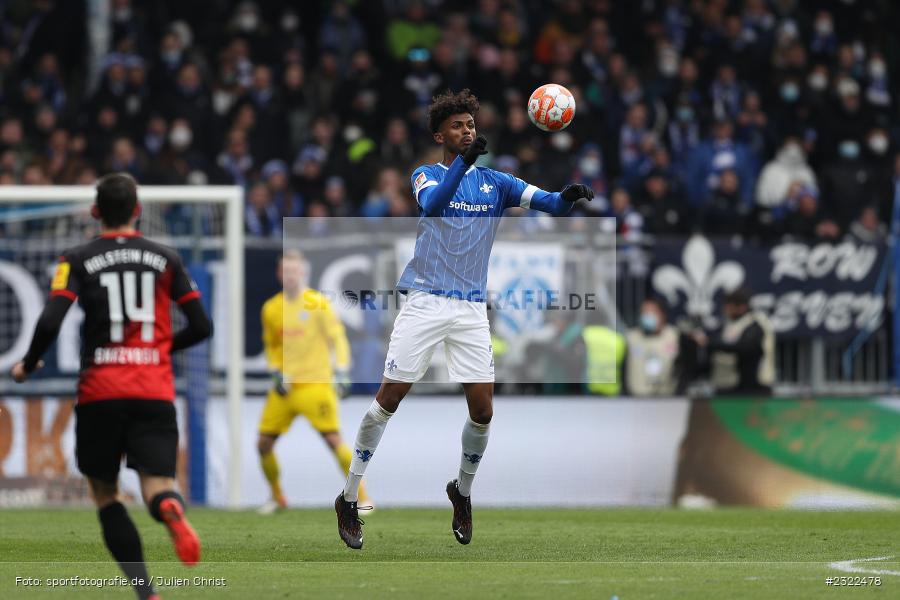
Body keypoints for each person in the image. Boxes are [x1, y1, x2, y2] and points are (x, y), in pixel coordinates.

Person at [334, 89, 593, 549]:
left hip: (471, 307)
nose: (467, 130)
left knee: (484, 410)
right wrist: (463, 162)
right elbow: (433, 206)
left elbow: (549, 203)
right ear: (440, 135)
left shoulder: (499, 183)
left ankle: (462, 491)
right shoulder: (426, 174)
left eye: (471, 124)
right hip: (426, 301)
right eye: (457, 125)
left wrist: (567, 198)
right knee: (389, 399)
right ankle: (350, 496)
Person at [10, 173, 212, 600]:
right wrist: (159, 348)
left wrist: (28, 363)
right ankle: (170, 509)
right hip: (153, 390)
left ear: (95, 212)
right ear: (137, 211)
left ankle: (146, 592)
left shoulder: (77, 258)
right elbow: (201, 326)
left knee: (104, 494)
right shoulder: (167, 258)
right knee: (157, 483)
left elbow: (50, 320)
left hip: (101, 390)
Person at [257, 250, 367, 514]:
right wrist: (275, 371)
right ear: (278, 274)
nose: (290, 276)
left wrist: (341, 370)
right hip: (286, 388)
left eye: (294, 271)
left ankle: (361, 497)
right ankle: (277, 496)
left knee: (333, 440)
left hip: (316, 385)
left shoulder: (318, 304)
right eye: (285, 271)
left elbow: (337, 339)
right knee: (263, 444)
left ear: (303, 273)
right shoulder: (271, 309)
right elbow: (272, 346)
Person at [693, 288, 775, 396]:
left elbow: (745, 348)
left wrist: (710, 344)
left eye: (729, 307)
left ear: (742, 307)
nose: (726, 311)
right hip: (728, 384)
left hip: (754, 386)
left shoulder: (755, 323)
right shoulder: (730, 324)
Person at [624, 298, 688, 396]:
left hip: (668, 399)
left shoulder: (675, 336)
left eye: (652, 312)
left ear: (663, 315)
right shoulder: (631, 337)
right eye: (644, 312)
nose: (648, 315)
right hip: (636, 399)